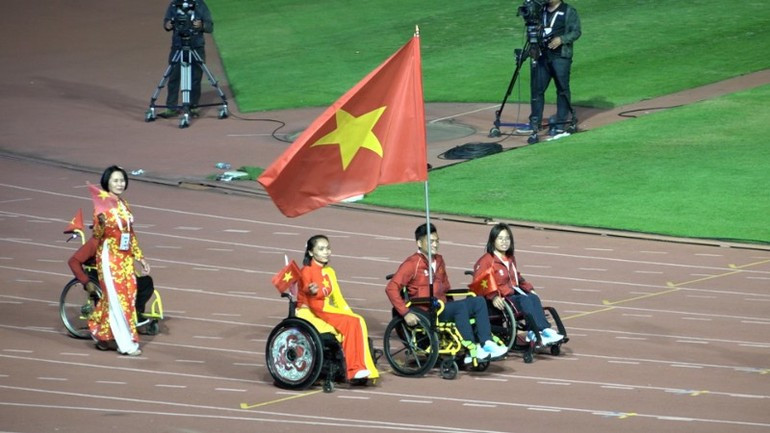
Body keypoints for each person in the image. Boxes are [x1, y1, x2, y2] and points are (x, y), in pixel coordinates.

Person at [385, 223, 509, 364]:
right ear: (419, 243)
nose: (435, 244)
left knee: (478, 301)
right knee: (460, 308)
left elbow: (446, 288)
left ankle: (486, 342)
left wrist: (451, 304)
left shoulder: (439, 260)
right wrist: (405, 313)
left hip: (442, 307)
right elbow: (391, 288)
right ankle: (471, 348)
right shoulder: (412, 264)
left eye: (437, 241)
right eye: (431, 241)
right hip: (426, 310)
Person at [297, 235, 379, 382]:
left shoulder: (330, 272)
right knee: (352, 322)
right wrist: (311, 289)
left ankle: (360, 367)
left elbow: (338, 298)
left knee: (357, 320)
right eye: (321, 249)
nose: (326, 252)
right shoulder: (306, 270)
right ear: (310, 252)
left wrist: (348, 312)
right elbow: (306, 288)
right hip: (309, 312)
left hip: (324, 309)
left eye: (327, 248)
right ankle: (354, 369)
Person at [88, 166, 149, 356]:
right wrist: (100, 223)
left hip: (125, 258)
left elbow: (130, 234)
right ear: (107, 182)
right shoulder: (101, 206)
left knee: (128, 296)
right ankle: (126, 344)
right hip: (109, 257)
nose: (119, 184)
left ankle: (101, 333)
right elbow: (97, 235)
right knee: (118, 299)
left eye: (122, 180)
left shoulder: (124, 204)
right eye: (115, 180)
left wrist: (140, 257)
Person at [472, 223, 564, 345]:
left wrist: (529, 288)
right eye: (500, 238)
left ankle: (544, 329)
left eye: (507, 238)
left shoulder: (510, 258)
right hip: (501, 300)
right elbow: (480, 282)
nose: (504, 242)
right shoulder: (486, 260)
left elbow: (517, 277)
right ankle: (533, 332)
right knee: (524, 300)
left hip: (513, 294)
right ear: (493, 240)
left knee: (533, 297)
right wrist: (493, 296)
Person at [67, 236, 157, 334]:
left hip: (120, 275)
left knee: (146, 283)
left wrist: (142, 262)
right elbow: (73, 261)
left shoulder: (120, 238)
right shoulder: (95, 242)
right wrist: (86, 281)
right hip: (102, 277)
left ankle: (135, 312)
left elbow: (131, 248)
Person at [525, 0, 581, 144]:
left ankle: (560, 123)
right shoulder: (540, 10)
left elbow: (576, 31)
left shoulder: (569, 11)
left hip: (560, 56)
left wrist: (561, 39)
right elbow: (532, 28)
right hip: (542, 56)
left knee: (562, 89)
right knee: (537, 89)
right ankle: (534, 122)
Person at [159, 0, 214, 118]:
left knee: (195, 78)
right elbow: (166, 22)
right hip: (178, 46)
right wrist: (167, 24)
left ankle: (193, 107)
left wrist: (201, 25)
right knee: (173, 77)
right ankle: (171, 108)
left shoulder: (200, 5)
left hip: (196, 46)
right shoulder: (174, 4)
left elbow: (210, 27)